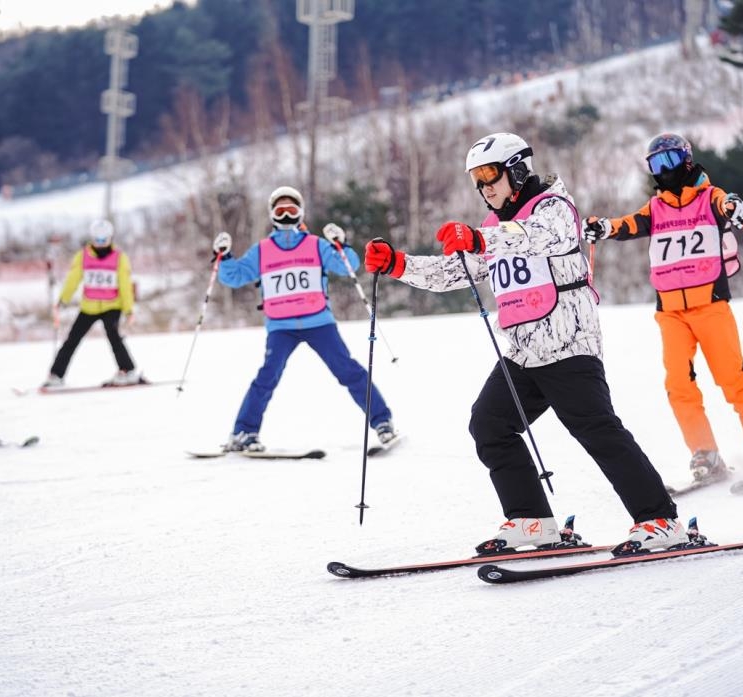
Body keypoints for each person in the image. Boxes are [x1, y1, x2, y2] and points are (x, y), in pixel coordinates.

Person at [364, 132, 683, 557]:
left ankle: (659, 520)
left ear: (516, 169)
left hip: (568, 342)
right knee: (490, 425)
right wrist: (399, 264)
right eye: (477, 180)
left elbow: (536, 236)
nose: (484, 187)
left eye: (490, 175)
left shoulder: (555, 208)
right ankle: (532, 521)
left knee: (596, 428)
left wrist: (478, 238)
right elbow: (453, 273)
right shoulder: (495, 227)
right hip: (522, 352)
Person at [583, 132, 743, 484]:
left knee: (733, 380)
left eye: (669, 161)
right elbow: (628, 224)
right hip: (671, 314)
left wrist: (736, 208)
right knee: (679, 386)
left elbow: (729, 205)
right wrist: (604, 228)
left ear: (686, 161)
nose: (663, 170)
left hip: (711, 305)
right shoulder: (656, 208)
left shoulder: (710, 198)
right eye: (655, 164)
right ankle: (705, 454)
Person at [213, 185, 396, 452]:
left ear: (300, 213)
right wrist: (225, 256)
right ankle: (244, 432)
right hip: (281, 327)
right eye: (280, 210)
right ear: (272, 214)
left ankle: (383, 422)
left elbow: (348, 266)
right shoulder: (263, 250)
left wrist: (340, 243)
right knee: (267, 378)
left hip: (318, 322)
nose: (286, 215)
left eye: (292, 209)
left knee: (348, 371)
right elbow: (234, 276)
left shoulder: (315, 245)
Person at [44, 219, 140, 387]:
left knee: (114, 337)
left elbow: (125, 285)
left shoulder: (120, 258)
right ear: (92, 238)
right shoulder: (83, 256)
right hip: (89, 306)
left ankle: (128, 370)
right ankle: (56, 375)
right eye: (97, 240)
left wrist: (129, 310)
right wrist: (63, 300)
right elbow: (72, 280)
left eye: (104, 240)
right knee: (72, 339)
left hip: (112, 306)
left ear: (110, 238)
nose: (101, 244)